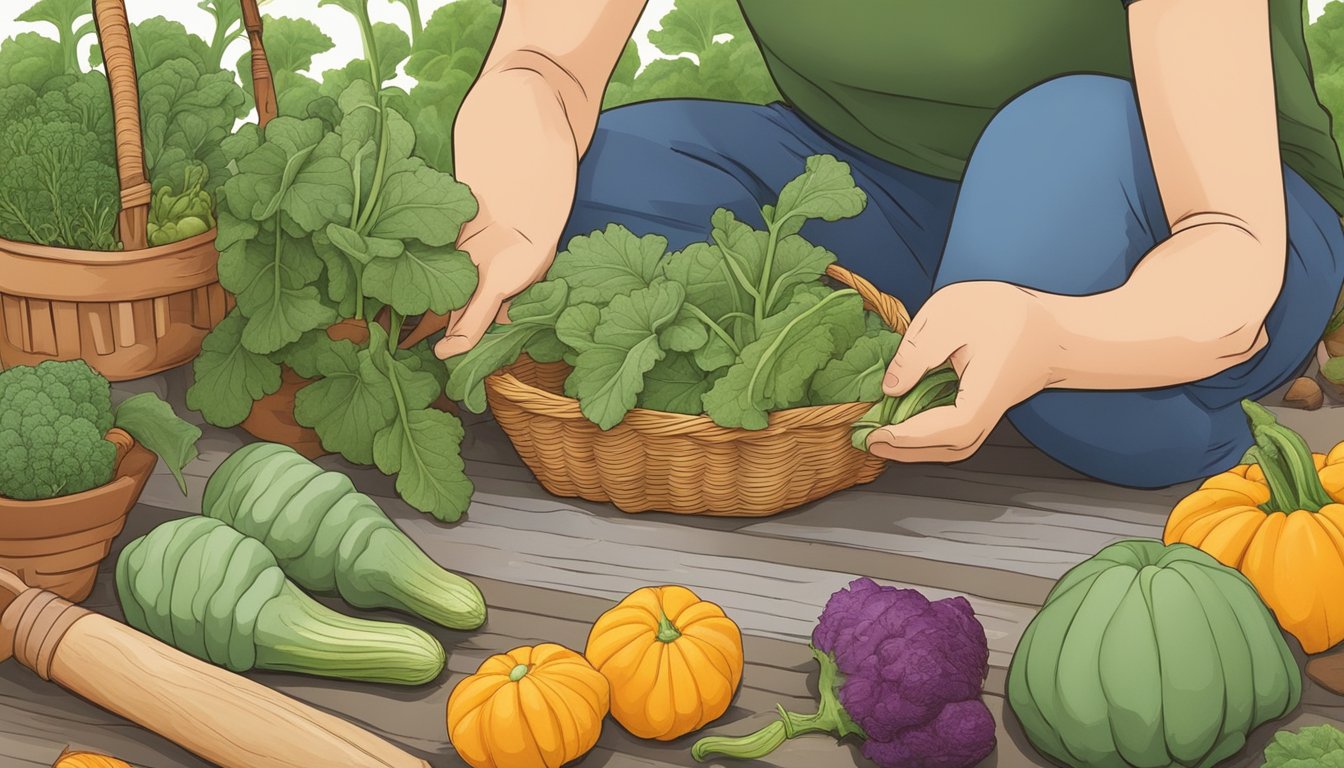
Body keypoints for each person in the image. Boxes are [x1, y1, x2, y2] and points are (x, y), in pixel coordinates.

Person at [431, 0, 1344, 489]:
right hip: (876, 190)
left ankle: (1183, 426)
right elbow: (541, 68)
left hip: (1178, 227)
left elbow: (1231, 241)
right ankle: (944, 343)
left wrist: (1061, 339)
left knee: (1053, 153)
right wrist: (508, 212)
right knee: (602, 191)